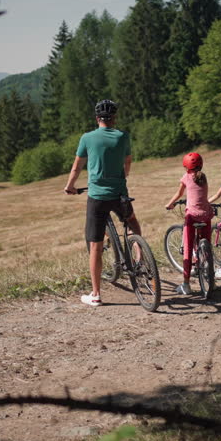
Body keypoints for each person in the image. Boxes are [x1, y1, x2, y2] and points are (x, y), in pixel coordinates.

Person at [64, 99, 141, 307]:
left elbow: (76, 167)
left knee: (95, 245)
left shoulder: (87, 138)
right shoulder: (123, 136)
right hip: (119, 193)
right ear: (114, 118)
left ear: (97, 118)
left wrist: (70, 186)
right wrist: (122, 177)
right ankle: (139, 254)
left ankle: (96, 294)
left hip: (97, 197)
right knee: (132, 222)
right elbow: (127, 162)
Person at [165, 152, 213, 295]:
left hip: (192, 216)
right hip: (206, 215)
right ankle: (211, 279)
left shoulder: (186, 177)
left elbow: (179, 194)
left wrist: (169, 204)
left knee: (188, 248)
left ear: (186, 166)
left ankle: (186, 284)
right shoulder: (203, 177)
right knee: (207, 246)